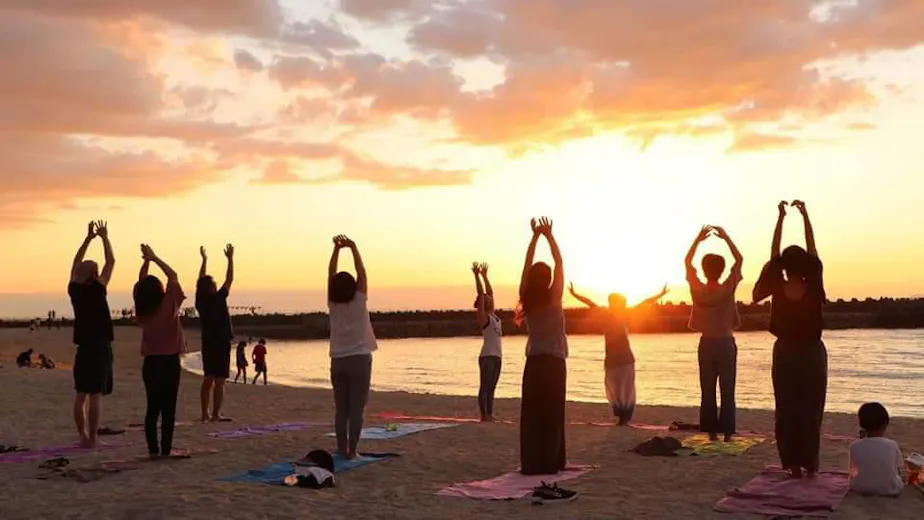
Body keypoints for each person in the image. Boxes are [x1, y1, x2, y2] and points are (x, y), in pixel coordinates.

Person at [754, 200, 827, 479]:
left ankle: (793, 464)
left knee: (786, 408)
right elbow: (812, 248)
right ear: (807, 264)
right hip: (811, 352)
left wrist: (781, 219)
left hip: (784, 352)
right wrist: (805, 216)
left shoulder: (776, 283)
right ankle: (810, 463)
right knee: (811, 408)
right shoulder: (814, 281)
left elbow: (774, 254)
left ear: (783, 265)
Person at [517, 217, 578, 503]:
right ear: (548, 280)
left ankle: (532, 463)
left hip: (534, 363)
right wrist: (549, 236)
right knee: (552, 414)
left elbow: (527, 269)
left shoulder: (527, 298)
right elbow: (561, 263)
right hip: (553, 363)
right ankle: (551, 462)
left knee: (532, 415)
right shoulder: (553, 298)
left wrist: (534, 239)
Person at [569, 282, 669, 426]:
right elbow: (590, 303)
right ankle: (621, 414)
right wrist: (574, 293)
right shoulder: (605, 314)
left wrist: (661, 294)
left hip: (625, 358)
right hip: (612, 359)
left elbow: (645, 302)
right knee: (613, 387)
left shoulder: (626, 314)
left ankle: (625, 416)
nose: (612, 305)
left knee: (626, 388)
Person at [685, 225, 744, 442]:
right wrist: (726, 237)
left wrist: (698, 240)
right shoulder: (727, 288)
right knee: (727, 389)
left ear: (704, 269)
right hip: (726, 343)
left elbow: (687, 263)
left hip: (706, 343)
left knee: (707, 389)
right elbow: (739, 260)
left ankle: (711, 432)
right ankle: (727, 432)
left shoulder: (697, 290)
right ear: (721, 270)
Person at [135, 244, 186, 458]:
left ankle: (152, 450)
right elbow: (173, 275)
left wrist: (145, 262)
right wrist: (154, 257)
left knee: (152, 407)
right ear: (160, 290)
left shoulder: (142, 307)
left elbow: (140, 284)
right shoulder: (168, 304)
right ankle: (165, 449)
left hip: (151, 363)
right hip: (169, 363)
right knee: (168, 409)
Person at [328, 235, 376, 459]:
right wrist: (353, 247)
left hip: (338, 360)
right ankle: (352, 450)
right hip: (359, 359)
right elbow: (362, 272)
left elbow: (330, 274)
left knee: (342, 410)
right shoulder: (359, 300)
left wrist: (336, 251)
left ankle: (340, 448)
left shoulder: (333, 303)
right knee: (356, 409)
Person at [68, 220, 115, 448]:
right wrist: (104, 237)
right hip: (99, 347)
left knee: (81, 394)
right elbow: (111, 261)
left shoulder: (74, 289)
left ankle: (82, 437)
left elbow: (75, 262)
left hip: (84, 347)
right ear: (94, 274)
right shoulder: (99, 288)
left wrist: (88, 239)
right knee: (95, 395)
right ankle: (93, 439)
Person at [195, 244, 235, 422]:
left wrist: (204, 260)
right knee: (219, 380)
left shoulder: (200, 301)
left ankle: (205, 413)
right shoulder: (218, 298)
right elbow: (229, 279)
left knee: (209, 378)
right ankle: (215, 414)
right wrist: (230, 259)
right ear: (212, 287)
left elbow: (200, 279)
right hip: (221, 342)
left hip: (208, 342)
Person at [849, 403, 904, 496]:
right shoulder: (892, 444)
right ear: (885, 424)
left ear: (861, 424)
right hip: (890, 489)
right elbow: (897, 470)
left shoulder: (854, 445)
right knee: (897, 478)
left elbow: (854, 471)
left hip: (859, 487)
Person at [472, 262, 502, 422]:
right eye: (486, 298)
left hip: (497, 356)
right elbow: (482, 292)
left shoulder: (494, 315)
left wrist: (485, 275)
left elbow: (490, 292)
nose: (489, 297)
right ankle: (484, 415)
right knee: (485, 386)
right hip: (487, 356)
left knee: (492, 387)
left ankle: (489, 414)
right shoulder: (484, 317)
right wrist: (477, 276)